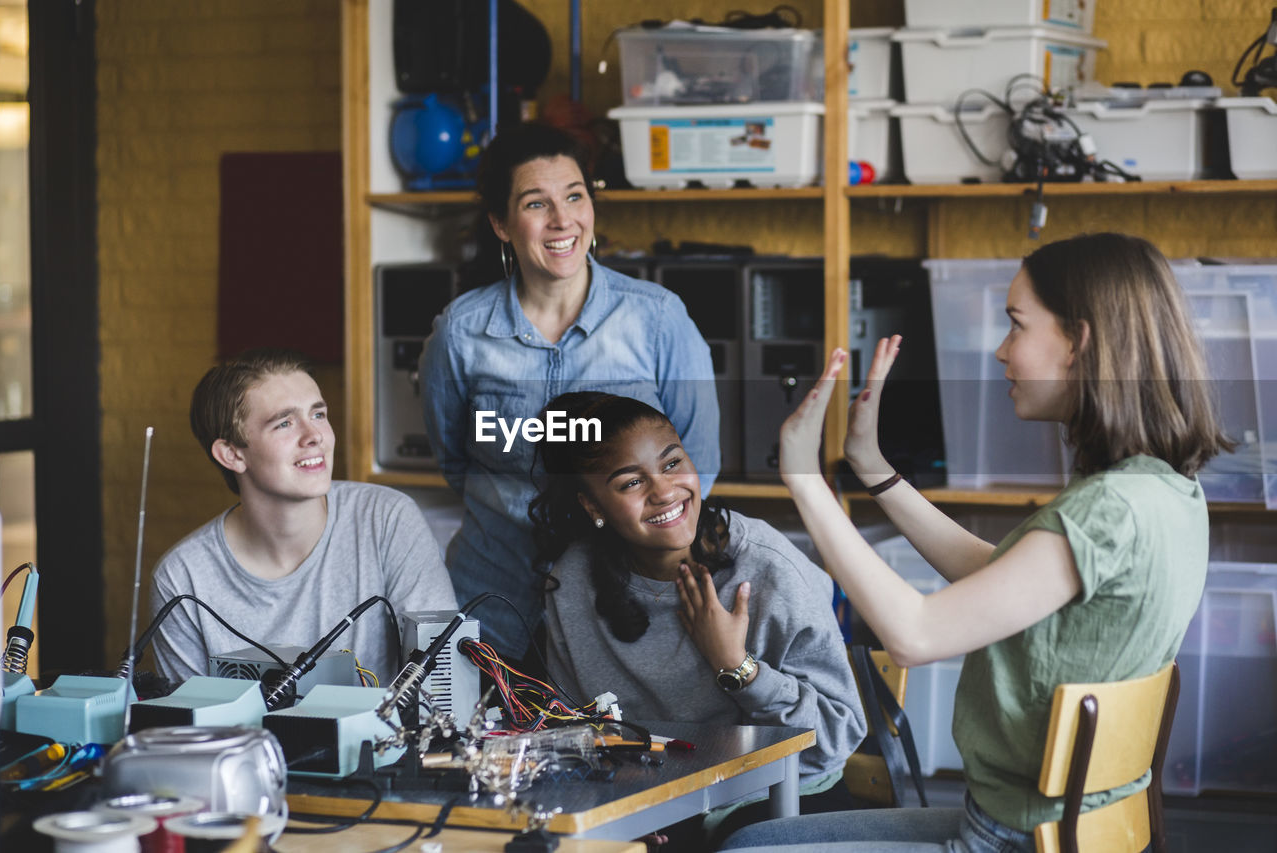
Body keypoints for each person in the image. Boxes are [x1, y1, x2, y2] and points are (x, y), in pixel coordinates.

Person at [720, 233, 1233, 852]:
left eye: (1017, 326)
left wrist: (805, 483)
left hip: (1010, 840)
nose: (1000, 349)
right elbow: (997, 579)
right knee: (758, 837)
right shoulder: (1161, 489)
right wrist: (873, 468)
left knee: (745, 848)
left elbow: (914, 635)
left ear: (1080, 340)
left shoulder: (1110, 509)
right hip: (1060, 827)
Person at [420, 122, 720, 663]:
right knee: (484, 745)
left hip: (622, 603)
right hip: (492, 598)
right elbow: (455, 460)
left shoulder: (657, 318)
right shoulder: (461, 331)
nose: (563, 220)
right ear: (501, 224)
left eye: (575, 196)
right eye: (536, 204)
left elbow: (700, 464)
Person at [532, 391, 866, 850]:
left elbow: (836, 738)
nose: (665, 491)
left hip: (779, 799)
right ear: (593, 507)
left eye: (672, 464)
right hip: (648, 804)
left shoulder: (767, 568)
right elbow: (573, 732)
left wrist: (738, 668)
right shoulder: (570, 583)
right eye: (631, 482)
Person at [150, 348, 457, 684]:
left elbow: (442, 686)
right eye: (284, 423)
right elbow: (193, 727)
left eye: (318, 415)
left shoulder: (387, 520)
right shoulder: (183, 578)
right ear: (233, 454)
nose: (315, 437)